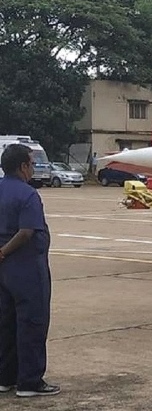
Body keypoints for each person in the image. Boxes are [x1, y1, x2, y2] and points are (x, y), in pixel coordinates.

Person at [0, 144, 60, 397]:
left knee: (5, 323)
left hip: (3, 272)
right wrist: (3, 251)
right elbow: (26, 232)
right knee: (32, 323)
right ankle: (29, 381)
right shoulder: (27, 194)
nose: (33, 169)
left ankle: (5, 377)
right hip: (26, 268)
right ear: (23, 166)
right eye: (32, 164)